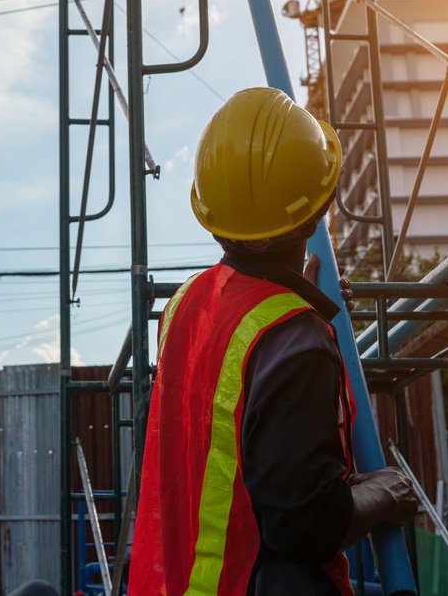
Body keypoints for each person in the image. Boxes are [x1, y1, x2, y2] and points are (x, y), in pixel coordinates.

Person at [127, 87, 418, 596]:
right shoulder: (298, 341)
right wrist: (387, 493)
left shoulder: (185, 304)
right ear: (319, 209)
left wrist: (301, 302)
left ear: (212, 219)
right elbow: (305, 526)